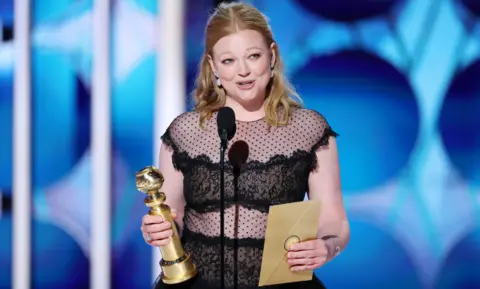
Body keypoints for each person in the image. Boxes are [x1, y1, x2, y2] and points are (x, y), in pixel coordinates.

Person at [140, 2, 350, 288]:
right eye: (228, 61)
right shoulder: (185, 132)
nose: (243, 71)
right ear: (212, 65)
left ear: (272, 56)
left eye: (253, 56)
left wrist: (326, 247)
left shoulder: (308, 129)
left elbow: (334, 221)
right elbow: (172, 217)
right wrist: (159, 230)